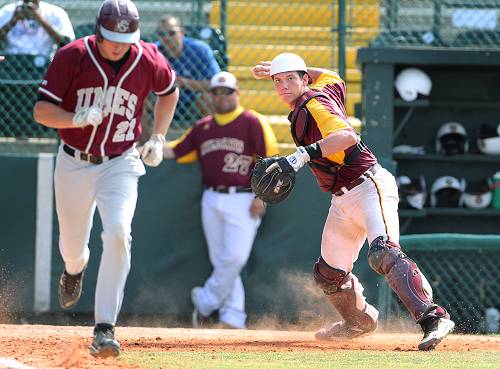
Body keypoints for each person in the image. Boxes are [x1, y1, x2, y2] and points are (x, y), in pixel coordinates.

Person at [251, 53, 455, 351]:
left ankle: (434, 318)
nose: (283, 86)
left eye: (290, 79)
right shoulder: (323, 89)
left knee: (383, 253)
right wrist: (289, 68)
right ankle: (359, 322)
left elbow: (346, 136)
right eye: (277, 81)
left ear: (305, 80)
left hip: (369, 185)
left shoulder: (314, 104)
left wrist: (301, 155)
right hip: (342, 198)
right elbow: (334, 75)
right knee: (329, 274)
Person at [32, 0, 178, 358]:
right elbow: (41, 111)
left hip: (121, 161)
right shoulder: (72, 56)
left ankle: (104, 328)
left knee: (117, 233)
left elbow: (169, 92)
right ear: (97, 31)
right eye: (111, 37)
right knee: (71, 247)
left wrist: (159, 135)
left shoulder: (147, 57)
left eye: (125, 38)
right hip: (74, 162)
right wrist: (75, 118)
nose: (117, 45)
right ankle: (73, 270)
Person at [163, 71, 278, 329]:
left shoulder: (252, 121)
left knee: (235, 257)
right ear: (211, 95)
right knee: (222, 262)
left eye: (227, 91)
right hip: (211, 197)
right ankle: (232, 318)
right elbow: (177, 149)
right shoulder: (203, 126)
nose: (222, 96)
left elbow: (268, 161)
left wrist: (262, 196)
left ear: (237, 93)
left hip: (244, 197)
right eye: (217, 92)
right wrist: (141, 148)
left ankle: (204, 299)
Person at [155, 15, 220, 124]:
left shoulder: (199, 49)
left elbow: (216, 83)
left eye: (171, 33)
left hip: (192, 103)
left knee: (208, 99)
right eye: (162, 34)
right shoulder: (153, 52)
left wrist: (184, 82)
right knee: (142, 100)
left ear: (182, 33)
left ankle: (212, 138)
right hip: (160, 101)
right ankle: (146, 141)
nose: (166, 38)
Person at [0, 0, 74, 57]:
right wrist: (13, 21)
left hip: (43, 61)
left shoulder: (56, 12)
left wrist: (40, 19)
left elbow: (67, 42)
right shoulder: (7, 11)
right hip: (11, 60)